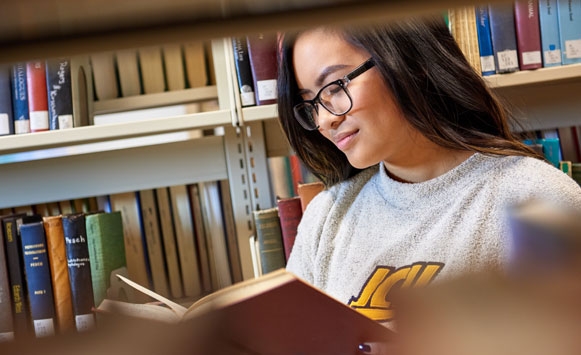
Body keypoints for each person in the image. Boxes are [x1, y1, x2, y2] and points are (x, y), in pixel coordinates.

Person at [276, 15, 581, 326]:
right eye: (311, 103)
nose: (325, 120)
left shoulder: (539, 200)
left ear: (409, 61)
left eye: (335, 87)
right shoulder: (327, 218)